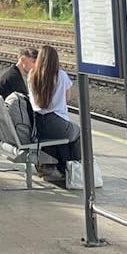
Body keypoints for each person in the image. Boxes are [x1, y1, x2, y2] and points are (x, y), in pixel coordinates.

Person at [27, 45, 81, 181]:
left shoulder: (32, 75)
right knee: (76, 132)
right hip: (57, 121)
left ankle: (56, 168)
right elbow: (68, 97)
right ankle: (73, 169)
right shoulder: (61, 75)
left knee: (61, 136)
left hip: (38, 124)